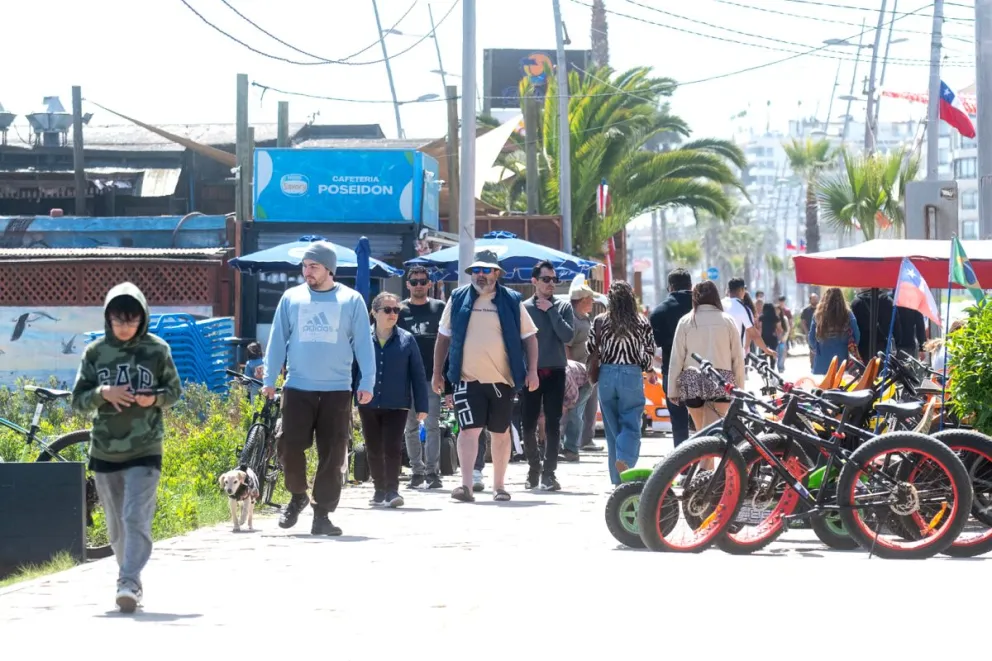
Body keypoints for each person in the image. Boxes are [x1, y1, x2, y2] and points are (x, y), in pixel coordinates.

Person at [71, 283, 183, 613]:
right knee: (116, 524)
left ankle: (129, 579)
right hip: (105, 449)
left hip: (146, 446)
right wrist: (102, 393)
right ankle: (128, 575)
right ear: (108, 318)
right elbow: (78, 400)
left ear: (142, 319)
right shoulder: (95, 352)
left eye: (130, 320)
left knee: (136, 516)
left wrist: (155, 398)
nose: (124, 326)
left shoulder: (157, 350)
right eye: (118, 320)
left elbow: (174, 391)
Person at [262, 241, 376, 536]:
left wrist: (367, 382)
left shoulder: (351, 300)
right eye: (304, 266)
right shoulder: (291, 298)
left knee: (334, 452)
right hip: (298, 387)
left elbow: (364, 343)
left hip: (337, 390)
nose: (306, 271)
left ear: (329, 269)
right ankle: (298, 494)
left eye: (313, 266)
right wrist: (269, 380)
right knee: (287, 445)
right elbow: (277, 341)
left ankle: (322, 513)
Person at [432, 249, 539, 503]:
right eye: (476, 270)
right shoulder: (457, 298)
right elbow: (443, 337)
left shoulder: (512, 300)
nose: (480, 275)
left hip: (502, 380)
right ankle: (466, 486)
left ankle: (499, 486)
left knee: (501, 432)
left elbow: (530, 338)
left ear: (497, 273)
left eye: (486, 270)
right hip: (466, 379)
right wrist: (438, 373)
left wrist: (532, 371)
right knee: (468, 430)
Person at [355, 292, 429, 508]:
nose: (393, 314)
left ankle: (392, 490)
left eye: (396, 310)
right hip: (367, 402)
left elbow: (418, 373)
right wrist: (348, 400)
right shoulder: (361, 339)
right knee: (373, 447)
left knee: (392, 446)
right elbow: (352, 370)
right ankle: (379, 489)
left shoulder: (407, 339)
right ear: (374, 313)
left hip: (398, 402)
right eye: (387, 310)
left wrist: (422, 406)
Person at [587, 281, 656, 486]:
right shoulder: (641, 321)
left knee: (611, 429)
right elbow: (649, 352)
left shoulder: (600, 321)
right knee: (632, 424)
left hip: (607, 374)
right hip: (631, 374)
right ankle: (624, 462)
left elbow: (591, 347)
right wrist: (645, 367)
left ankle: (617, 481)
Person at [668, 282, 745, 464]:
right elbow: (737, 358)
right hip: (721, 380)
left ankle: (703, 475)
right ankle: (705, 477)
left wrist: (672, 389)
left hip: (692, 378)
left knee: (701, 430)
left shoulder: (686, 320)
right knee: (711, 432)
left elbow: (676, 357)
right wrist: (740, 388)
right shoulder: (727, 320)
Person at [520, 260, 575, 491]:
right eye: (546, 279)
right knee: (528, 424)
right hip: (529, 373)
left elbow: (568, 336)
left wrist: (551, 310)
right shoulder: (523, 308)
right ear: (534, 281)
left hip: (555, 371)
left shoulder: (562, 307)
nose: (551, 283)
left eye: (554, 279)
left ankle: (549, 473)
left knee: (553, 423)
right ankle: (534, 468)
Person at [396, 265, 446, 489]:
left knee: (433, 424)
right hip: (406, 377)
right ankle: (416, 471)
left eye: (422, 281)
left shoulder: (439, 308)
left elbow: (449, 344)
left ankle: (433, 472)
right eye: (414, 281)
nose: (418, 285)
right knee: (410, 427)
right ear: (407, 285)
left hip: (432, 376)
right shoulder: (398, 310)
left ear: (429, 284)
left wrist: (447, 379)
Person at [648, 268, 693, 448]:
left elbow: (658, 344)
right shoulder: (704, 307)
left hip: (673, 371)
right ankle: (710, 463)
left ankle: (683, 465)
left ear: (670, 288)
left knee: (679, 421)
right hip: (704, 370)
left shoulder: (659, 312)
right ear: (691, 285)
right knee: (706, 421)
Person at [561, 276, 603, 460]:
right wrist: (569, 372)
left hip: (588, 373)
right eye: (590, 299)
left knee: (585, 409)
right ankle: (570, 447)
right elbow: (566, 346)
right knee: (575, 411)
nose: (593, 302)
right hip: (575, 375)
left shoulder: (585, 318)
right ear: (582, 300)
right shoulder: (572, 320)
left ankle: (582, 441)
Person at [808, 287, 860, 375]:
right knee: (842, 386)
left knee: (824, 387)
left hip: (822, 361)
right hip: (842, 360)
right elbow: (857, 336)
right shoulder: (848, 314)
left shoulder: (818, 314)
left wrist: (817, 349)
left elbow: (811, 338)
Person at [722, 277, 776, 358]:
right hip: (735, 355)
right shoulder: (742, 308)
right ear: (741, 290)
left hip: (719, 353)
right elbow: (752, 333)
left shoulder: (719, 303)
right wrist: (765, 349)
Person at [850, 287, 897, 363]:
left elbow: (852, 330)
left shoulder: (855, 303)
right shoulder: (889, 302)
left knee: (865, 374)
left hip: (862, 350)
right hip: (883, 349)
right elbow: (897, 330)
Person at [759, 303, 783, 372]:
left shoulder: (761, 317)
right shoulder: (776, 317)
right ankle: (772, 369)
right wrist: (779, 336)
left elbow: (760, 328)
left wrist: (759, 337)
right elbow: (779, 329)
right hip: (773, 337)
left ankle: (765, 369)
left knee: (764, 353)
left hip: (764, 338)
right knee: (773, 353)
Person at [800, 292, 819, 367]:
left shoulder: (821, 309)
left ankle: (819, 363)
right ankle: (812, 365)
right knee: (811, 348)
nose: (815, 301)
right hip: (810, 332)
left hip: (820, 332)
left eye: (816, 299)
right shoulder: (806, 310)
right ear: (810, 300)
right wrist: (806, 332)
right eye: (813, 299)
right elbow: (803, 322)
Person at [774, 297, 791, 371]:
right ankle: (774, 367)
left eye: (778, 311)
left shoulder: (784, 319)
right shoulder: (771, 319)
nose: (777, 312)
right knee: (775, 353)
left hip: (782, 339)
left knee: (782, 353)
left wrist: (783, 339)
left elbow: (787, 329)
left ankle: (781, 366)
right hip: (774, 339)